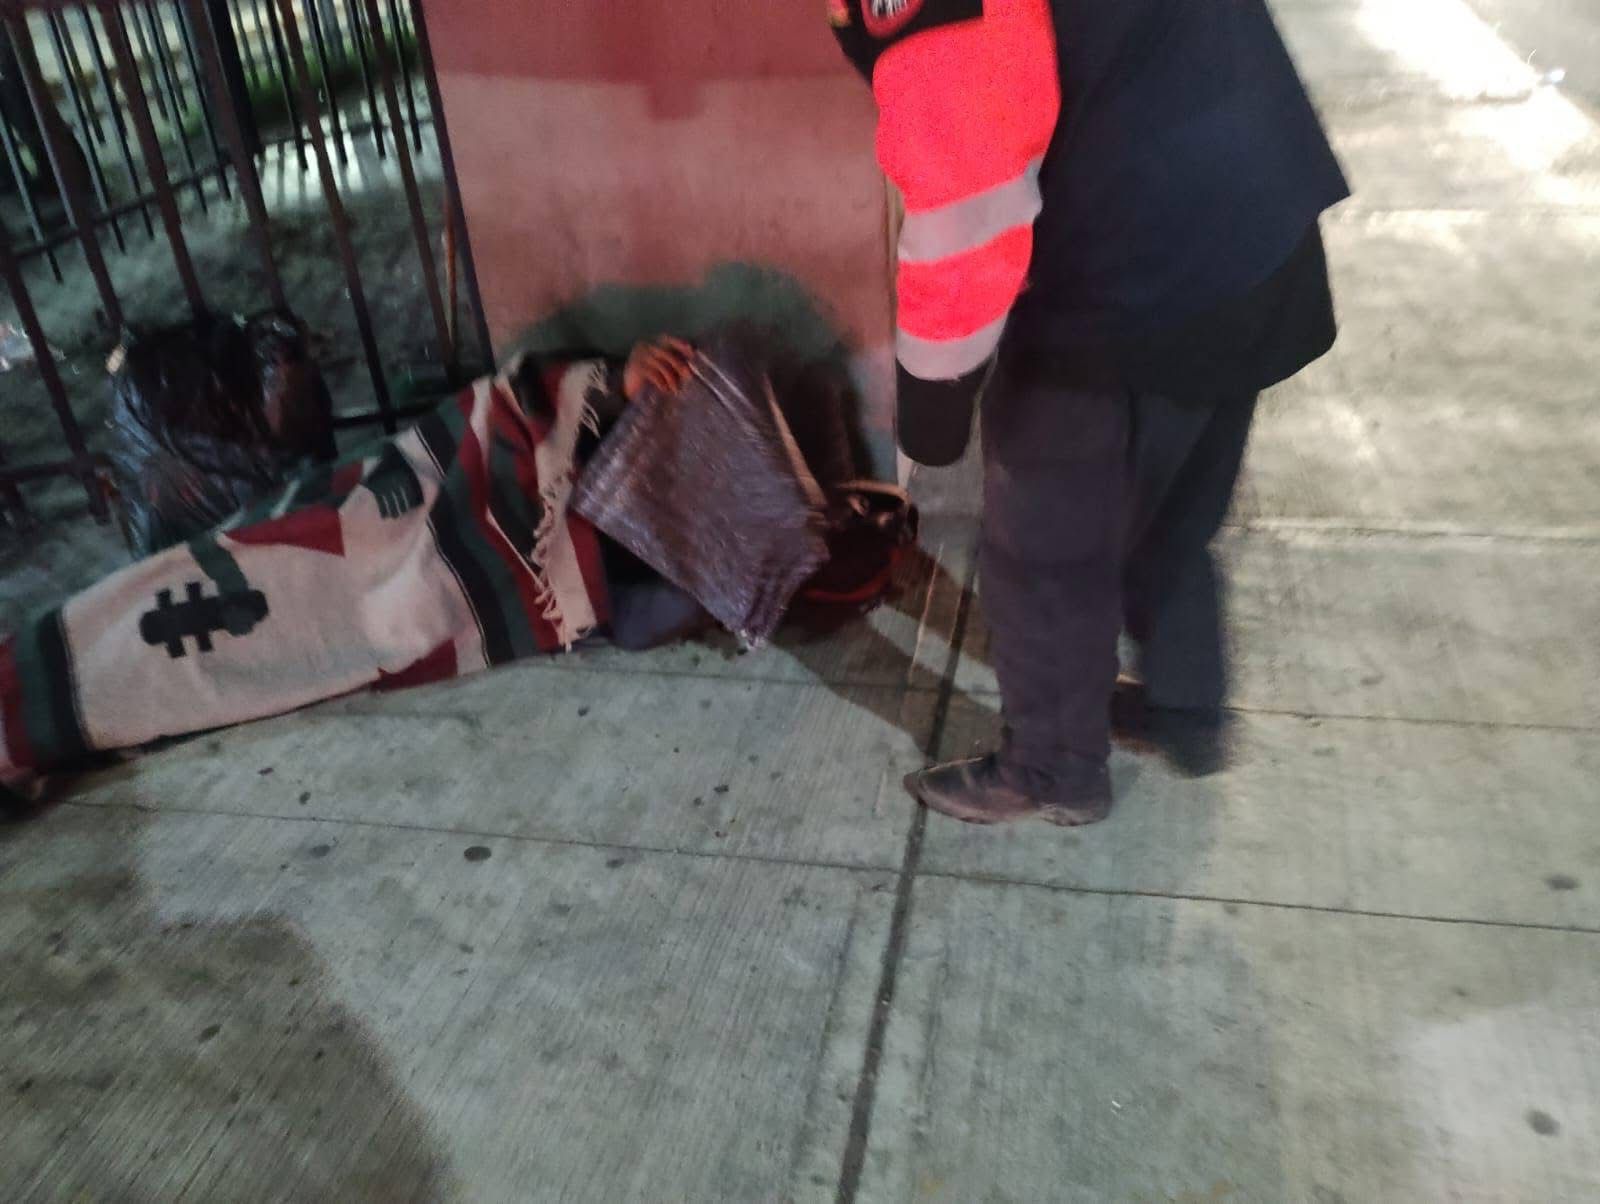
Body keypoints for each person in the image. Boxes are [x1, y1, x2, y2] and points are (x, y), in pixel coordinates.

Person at [827, 0, 1349, 825]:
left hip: (1128, 269)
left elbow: (970, 208)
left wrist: (932, 410)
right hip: (1260, 224)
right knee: (1175, 512)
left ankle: (1051, 769)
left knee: (1045, 555)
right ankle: (1185, 710)